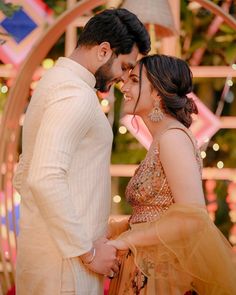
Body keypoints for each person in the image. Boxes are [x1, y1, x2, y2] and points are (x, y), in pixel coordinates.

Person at [13, 8, 150, 295]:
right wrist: (87, 252)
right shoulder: (73, 94)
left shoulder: (61, 84)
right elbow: (44, 177)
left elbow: (26, 173)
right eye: (125, 66)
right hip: (65, 271)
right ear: (103, 51)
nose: (124, 79)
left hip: (58, 261)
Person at [107, 54, 236, 295]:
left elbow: (192, 217)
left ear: (157, 92)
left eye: (134, 80)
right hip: (146, 266)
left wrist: (125, 241)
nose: (124, 86)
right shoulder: (162, 138)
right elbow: (154, 214)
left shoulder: (173, 138)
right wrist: (115, 230)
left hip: (162, 274)